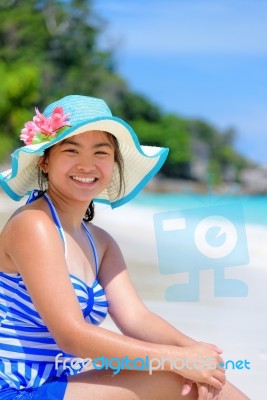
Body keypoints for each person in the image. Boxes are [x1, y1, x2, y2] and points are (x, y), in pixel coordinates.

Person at [0, 95, 249, 400]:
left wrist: (196, 351)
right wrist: (178, 360)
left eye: (101, 152)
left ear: (113, 162)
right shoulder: (34, 224)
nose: (87, 164)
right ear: (45, 160)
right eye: (71, 150)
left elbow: (135, 318)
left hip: (61, 382)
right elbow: (71, 336)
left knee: (200, 378)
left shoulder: (100, 242)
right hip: (17, 389)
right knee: (174, 377)